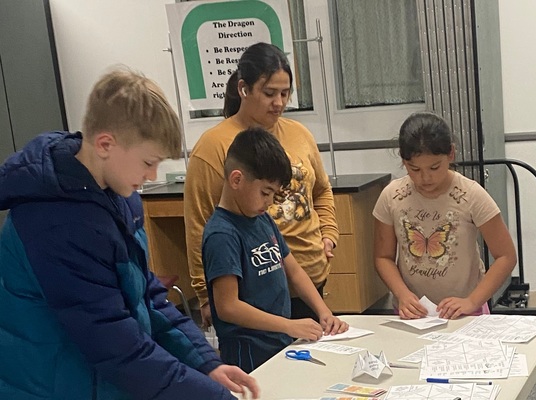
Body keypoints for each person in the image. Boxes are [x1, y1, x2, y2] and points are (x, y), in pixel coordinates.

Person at [0, 69, 259, 399]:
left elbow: (146, 295)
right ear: (106, 144)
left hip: (95, 378)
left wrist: (206, 362)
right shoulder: (56, 223)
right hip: (50, 385)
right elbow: (117, 347)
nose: (151, 176)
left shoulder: (117, 192)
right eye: (148, 162)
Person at [185, 42, 338, 327]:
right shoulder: (213, 145)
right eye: (269, 94)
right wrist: (205, 296)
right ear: (244, 89)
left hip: (306, 276)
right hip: (254, 289)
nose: (279, 102)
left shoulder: (299, 133)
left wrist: (328, 233)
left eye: (285, 93)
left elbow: (321, 191)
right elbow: (198, 224)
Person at [203, 127, 348, 373]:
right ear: (236, 180)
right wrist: (288, 325)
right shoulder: (222, 234)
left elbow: (294, 271)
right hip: (247, 352)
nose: (270, 202)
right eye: (265, 193)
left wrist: (323, 312)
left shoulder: (262, 219)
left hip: (277, 342)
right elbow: (228, 307)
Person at [373, 112, 517, 320]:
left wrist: (472, 301)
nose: (425, 177)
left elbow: (506, 256)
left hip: (465, 312)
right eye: (414, 169)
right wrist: (402, 294)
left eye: (434, 167)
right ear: (404, 161)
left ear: (451, 154)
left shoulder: (471, 195)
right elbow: (382, 257)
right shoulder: (392, 196)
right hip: (414, 313)